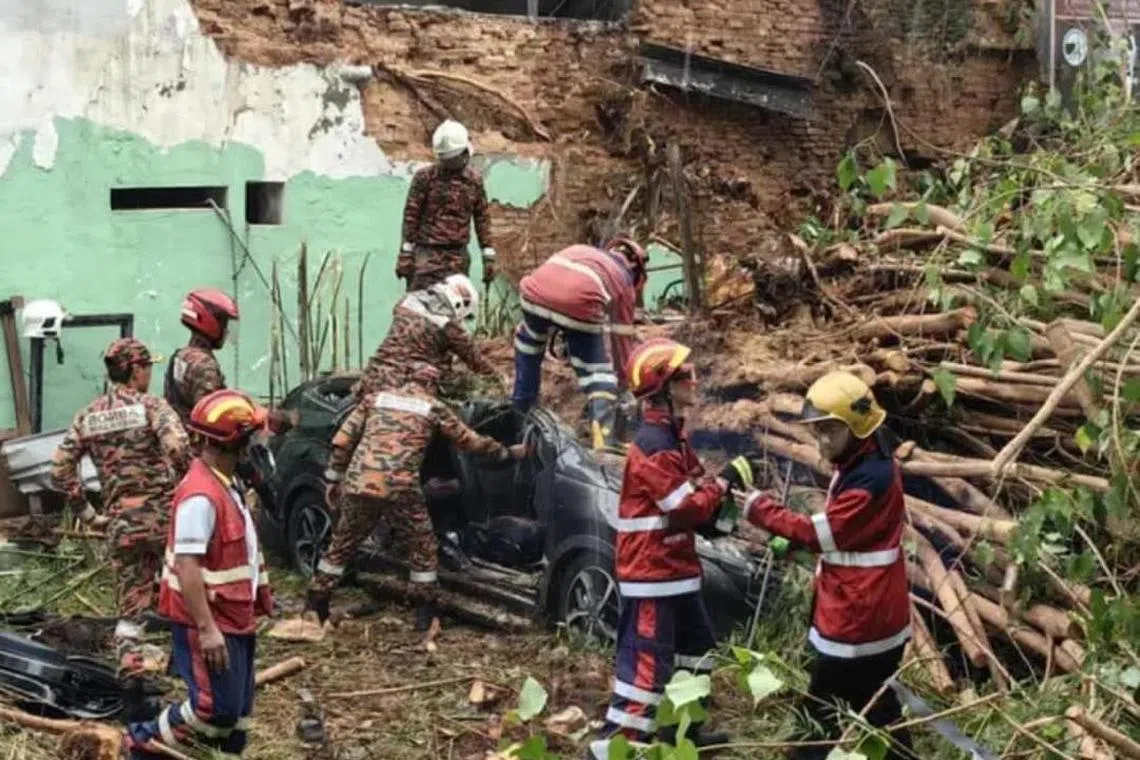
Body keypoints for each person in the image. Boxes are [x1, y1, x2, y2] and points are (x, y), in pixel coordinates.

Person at [277, 362, 527, 644]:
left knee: (342, 544)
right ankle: (424, 617)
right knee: (423, 547)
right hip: (400, 487)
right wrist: (508, 453)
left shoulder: (375, 399)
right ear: (431, 384)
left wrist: (333, 479)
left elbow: (343, 440)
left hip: (361, 482)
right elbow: (470, 442)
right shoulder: (433, 407)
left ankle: (315, 607)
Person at [737, 371, 912, 760]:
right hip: (872, 607)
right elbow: (853, 542)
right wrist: (796, 549)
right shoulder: (866, 459)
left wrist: (759, 509)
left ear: (857, 426)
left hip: (859, 615)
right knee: (878, 709)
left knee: (821, 710)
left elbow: (825, 534)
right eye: (818, 431)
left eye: (831, 431)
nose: (823, 441)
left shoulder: (870, 479)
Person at [589, 338, 750, 759]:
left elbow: (696, 489)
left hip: (676, 571)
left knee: (696, 653)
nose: (694, 381)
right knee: (645, 672)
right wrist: (723, 484)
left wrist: (719, 507)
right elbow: (683, 507)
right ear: (663, 387)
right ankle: (610, 751)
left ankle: (681, 738)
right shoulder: (653, 444)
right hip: (652, 576)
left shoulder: (674, 439)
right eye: (685, 375)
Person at [124, 389, 272, 759]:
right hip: (210, 619)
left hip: (235, 616)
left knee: (237, 714)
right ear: (234, 442)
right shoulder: (200, 496)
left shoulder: (226, 484)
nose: (259, 445)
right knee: (212, 709)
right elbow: (187, 564)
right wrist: (207, 629)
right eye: (253, 437)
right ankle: (138, 743)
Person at [50, 338, 190, 664]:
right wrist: (188, 485)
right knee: (186, 589)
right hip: (165, 519)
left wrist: (87, 513)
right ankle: (187, 664)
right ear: (135, 370)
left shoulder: (88, 416)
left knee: (130, 609)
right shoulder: (153, 407)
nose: (150, 374)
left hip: (122, 525)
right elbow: (177, 447)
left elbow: (59, 469)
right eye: (148, 367)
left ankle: (132, 667)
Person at [512, 238, 649, 453]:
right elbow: (620, 339)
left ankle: (518, 422)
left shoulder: (580, 250)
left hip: (532, 296)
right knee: (597, 372)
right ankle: (605, 439)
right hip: (578, 303)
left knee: (528, 351)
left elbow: (555, 289)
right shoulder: (623, 280)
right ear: (636, 267)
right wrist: (623, 381)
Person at [165, 288, 294, 436]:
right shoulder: (204, 365)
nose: (227, 332)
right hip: (199, 443)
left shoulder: (181, 355)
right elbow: (213, 416)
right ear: (210, 322)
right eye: (225, 325)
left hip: (181, 434)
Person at [352, 274, 499, 402]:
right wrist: (500, 380)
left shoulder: (405, 302)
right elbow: (477, 362)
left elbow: (416, 339)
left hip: (371, 378)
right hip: (403, 390)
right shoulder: (450, 328)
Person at [398, 119, 496, 291]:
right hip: (426, 256)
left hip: (457, 257)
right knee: (421, 303)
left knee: (454, 304)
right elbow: (411, 216)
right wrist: (406, 252)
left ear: (465, 152)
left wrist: (488, 255)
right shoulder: (424, 178)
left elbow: (482, 218)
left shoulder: (474, 181)